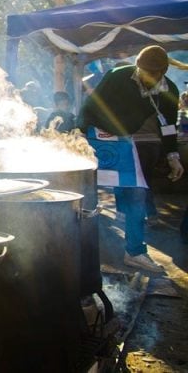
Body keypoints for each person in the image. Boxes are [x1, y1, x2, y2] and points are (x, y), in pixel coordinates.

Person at [78, 45, 184, 272]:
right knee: (86, 193)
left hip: (125, 141)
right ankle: (80, 248)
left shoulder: (169, 91)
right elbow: (90, 106)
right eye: (141, 70)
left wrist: (173, 156)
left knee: (136, 191)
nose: (143, 76)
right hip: (97, 135)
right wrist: (79, 136)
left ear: (162, 71)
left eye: (150, 73)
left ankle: (134, 252)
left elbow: (167, 127)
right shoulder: (118, 76)